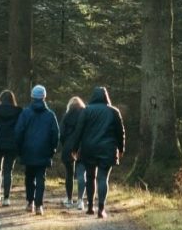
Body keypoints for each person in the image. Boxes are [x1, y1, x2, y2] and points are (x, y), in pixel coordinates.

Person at [65, 86, 126, 218]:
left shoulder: (86, 111)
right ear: (106, 97)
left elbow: (79, 131)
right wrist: (121, 149)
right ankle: (101, 209)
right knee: (103, 178)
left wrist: (74, 149)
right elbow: (120, 133)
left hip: (89, 148)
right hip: (108, 149)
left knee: (91, 177)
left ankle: (91, 206)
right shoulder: (114, 111)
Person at [13, 85, 61, 216]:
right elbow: (55, 134)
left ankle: (30, 203)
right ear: (44, 97)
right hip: (44, 150)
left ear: (32, 97)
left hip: (28, 150)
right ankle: (39, 205)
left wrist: (19, 148)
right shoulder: (50, 115)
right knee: (41, 178)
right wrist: (53, 149)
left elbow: (18, 132)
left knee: (29, 177)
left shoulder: (25, 113)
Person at [0, 90, 22, 206]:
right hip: (12, 143)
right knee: (8, 170)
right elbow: (20, 128)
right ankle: (7, 198)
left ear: (0, 99)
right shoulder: (18, 111)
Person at [59, 96, 87, 208]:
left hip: (68, 148)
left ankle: (69, 199)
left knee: (69, 174)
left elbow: (61, 134)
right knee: (81, 174)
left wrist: (65, 144)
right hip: (82, 147)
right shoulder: (85, 116)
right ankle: (80, 200)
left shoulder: (66, 117)